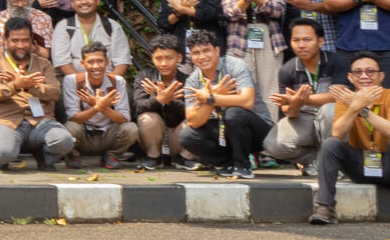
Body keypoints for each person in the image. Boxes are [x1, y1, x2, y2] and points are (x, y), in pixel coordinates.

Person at [308, 54, 390, 229]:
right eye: (358, 72)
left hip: (389, 167)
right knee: (331, 144)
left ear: (381, 76)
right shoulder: (346, 99)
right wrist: (354, 106)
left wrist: (363, 111)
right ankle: (325, 206)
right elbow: (337, 132)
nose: (364, 76)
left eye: (370, 71)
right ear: (350, 77)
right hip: (359, 165)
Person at [0, 23, 73, 171]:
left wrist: (31, 86)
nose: (20, 45)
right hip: (6, 120)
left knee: (65, 141)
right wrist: (15, 85)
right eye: (15, 40)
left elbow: (54, 93)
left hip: (40, 120)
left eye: (25, 40)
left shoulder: (44, 64)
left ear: (32, 41)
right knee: (4, 153)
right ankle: (3, 156)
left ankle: (43, 156)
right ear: (5, 40)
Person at [180, 31, 264, 177]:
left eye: (206, 50)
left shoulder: (235, 66)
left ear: (217, 50)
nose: (202, 56)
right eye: (196, 53)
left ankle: (242, 166)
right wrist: (210, 100)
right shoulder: (193, 80)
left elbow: (247, 101)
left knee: (234, 113)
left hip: (256, 130)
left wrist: (212, 97)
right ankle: (227, 164)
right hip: (224, 131)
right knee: (187, 135)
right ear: (191, 57)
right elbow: (193, 120)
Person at [263, 20, 338, 169]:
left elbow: (340, 95)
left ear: (321, 41)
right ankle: (315, 160)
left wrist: (305, 100)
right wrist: (295, 103)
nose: (301, 45)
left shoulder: (336, 61)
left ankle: (333, 162)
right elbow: (289, 113)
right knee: (272, 144)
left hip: (334, 119)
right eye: (296, 40)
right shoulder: (287, 69)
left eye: (307, 40)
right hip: (305, 118)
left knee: (330, 110)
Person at [58, 43, 137, 167]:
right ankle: (72, 155)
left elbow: (124, 117)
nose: (96, 66)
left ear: (107, 62)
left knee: (131, 128)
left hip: (107, 136)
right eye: (90, 62)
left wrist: (102, 107)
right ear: (82, 64)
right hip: (83, 136)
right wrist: (97, 108)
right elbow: (73, 117)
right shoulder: (72, 80)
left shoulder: (117, 81)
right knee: (70, 127)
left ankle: (112, 156)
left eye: (100, 61)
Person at [51, 0, 132, 79]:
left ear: (97, 1)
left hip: (109, 79)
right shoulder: (64, 26)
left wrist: (110, 84)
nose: (84, 2)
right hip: (74, 81)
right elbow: (62, 62)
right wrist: (84, 85)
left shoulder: (112, 26)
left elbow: (122, 61)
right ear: (72, 4)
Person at [133, 37, 192, 168]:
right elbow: (138, 106)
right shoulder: (145, 77)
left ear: (179, 58)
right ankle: (153, 157)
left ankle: (184, 158)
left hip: (178, 136)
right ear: (152, 58)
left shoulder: (187, 80)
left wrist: (171, 101)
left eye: (169, 58)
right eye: (158, 58)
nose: (163, 63)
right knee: (147, 118)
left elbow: (191, 110)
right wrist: (159, 100)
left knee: (197, 117)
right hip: (153, 137)